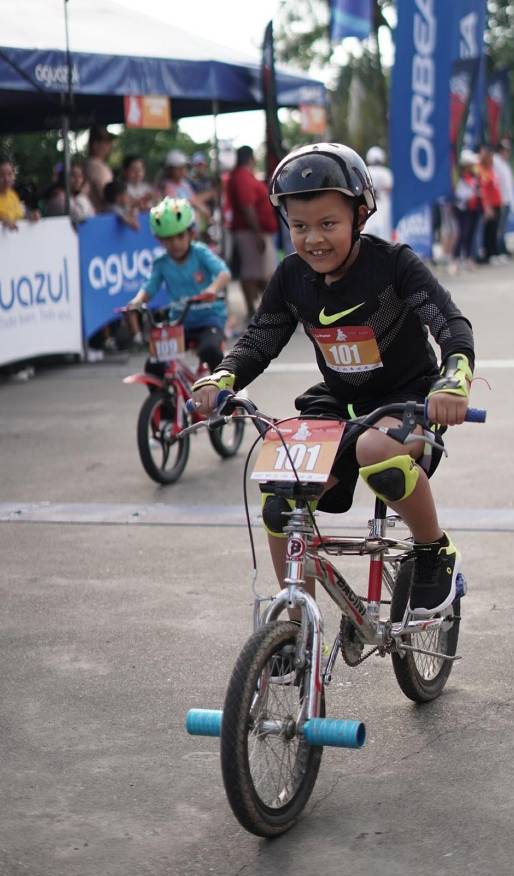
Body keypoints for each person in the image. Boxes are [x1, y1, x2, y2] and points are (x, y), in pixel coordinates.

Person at [192, 143, 475, 618]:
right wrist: (222, 377)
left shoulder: (394, 265)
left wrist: (454, 381)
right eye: (300, 226)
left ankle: (433, 549)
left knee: (374, 453)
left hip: (405, 401)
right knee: (281, 494)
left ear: (359, 215)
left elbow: (450, 326)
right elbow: (260, 339)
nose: (313, 239)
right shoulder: (291, 277)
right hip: (337, 405)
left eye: (328, 224)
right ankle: (296, 619)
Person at [125, 197, 230, 366]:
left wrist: (212, 289)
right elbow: (149, 287)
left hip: (210, 318)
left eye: (180, 236)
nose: (175, 243)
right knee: (154, 364)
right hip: (180, 323)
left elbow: (224, 274)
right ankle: (161, 393)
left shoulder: (200, 253)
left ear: (191, 233)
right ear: (160, 240)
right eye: (168, 239)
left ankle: (223, 389)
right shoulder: (161, 263)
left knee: (210, 351)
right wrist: (137, 301)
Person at [227, 145, 279, 319]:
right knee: (253, 273)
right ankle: (254, 310)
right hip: (250, 233)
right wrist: (257, 233)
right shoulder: (242, 177)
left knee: (262, 272)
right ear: (250, 158)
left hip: (255, 231)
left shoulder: (243, 176)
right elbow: (247, 206)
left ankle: (266, 308)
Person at [452, 150, 482, 272]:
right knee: (462, 234)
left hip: (474, 208)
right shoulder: (458, 177)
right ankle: (455, 260)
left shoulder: (474, 176)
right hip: (462, 208)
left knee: (471, 234)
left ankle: (469, 259)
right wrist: (468, 196)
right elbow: (457, 194)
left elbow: (477, 189)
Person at [477, 145, 502, 264]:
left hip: (497, 203)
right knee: (489, 231)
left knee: (494, 230)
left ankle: (494, 252)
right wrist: (487, 207)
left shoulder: (491, 169)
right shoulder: (480, 170)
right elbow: (484, 190)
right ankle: (489, 254)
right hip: (489, 205)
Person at [493, 139, 514, 258]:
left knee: (503, 227)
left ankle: (503, 247)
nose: (508, 153)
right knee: (499, 227)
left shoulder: (505, 164)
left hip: (506, 199)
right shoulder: (496, 163)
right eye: (506, 150)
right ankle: (499, 249)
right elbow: (497, 183)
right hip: (500, 200)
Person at [0, 157, 40, 230]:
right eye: (1, 175)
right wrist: (4, 220)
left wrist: (31, 216)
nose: (6, 179)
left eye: (9, 174)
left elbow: (21, 215)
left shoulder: (13, 195)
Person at [364, 145, 393, 240]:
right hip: (383, 205)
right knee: (384, 233)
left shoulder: (366, 170)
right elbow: (390, 188)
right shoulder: (386, 172)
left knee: (368, 231)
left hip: (369, 205)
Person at [85, 125, 116, 212]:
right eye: (106, 142)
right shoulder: (95, 165)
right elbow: (106, 196)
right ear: (95, 145)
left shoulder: (98, 164)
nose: (110, 145)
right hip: (101, 216)